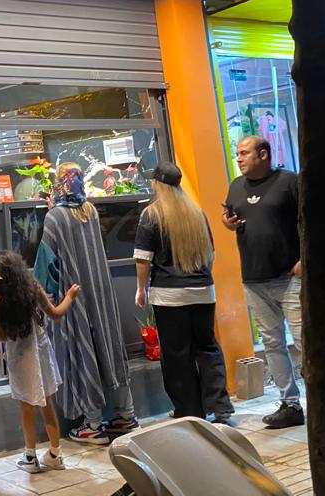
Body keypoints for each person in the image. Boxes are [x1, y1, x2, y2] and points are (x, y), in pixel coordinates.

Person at [34, 162, 138, 445]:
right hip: (100, 293)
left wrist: (41, 298)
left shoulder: (55, 217)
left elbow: (47, 263)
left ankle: (92, 424)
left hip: (74, 295)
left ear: (60, 183)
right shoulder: (90, 211)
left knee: (83, 349)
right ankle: (126, 414)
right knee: (108, 346)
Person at [133, 162, 233, 422]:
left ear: (157, 184)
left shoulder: (152, 215)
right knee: (207, 347)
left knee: (177, 354)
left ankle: (189, 410)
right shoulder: (196, 213)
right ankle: (219, 404)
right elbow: (210, 254)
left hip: (169, 296)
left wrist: (141, 289)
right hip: (203, 291)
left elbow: (143, 258)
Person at [222, 135, 304, 429]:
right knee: (272, 344)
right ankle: (290, 404)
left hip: (290, 277)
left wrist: (304, 260)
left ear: (264, 154)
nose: (239, 158)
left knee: (305, 340)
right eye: (237, 153)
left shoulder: (289, 181)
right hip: (254, 280)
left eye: (244, 153)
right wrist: (227, 223)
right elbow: (228, 216)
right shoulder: (236, 185)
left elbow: (310, 221)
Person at [0, 250, 80, 473]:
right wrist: (70, 296)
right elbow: (56, 313)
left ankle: (30, 456)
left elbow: (2, 336)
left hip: (20, 359)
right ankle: (55, 453)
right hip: (40, 355)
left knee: (26, 407)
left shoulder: (1, 302)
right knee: (47, 403)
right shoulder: (33, 288)